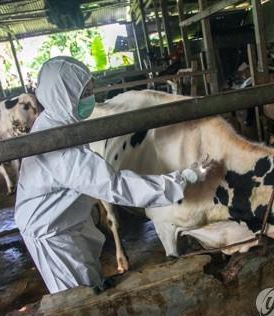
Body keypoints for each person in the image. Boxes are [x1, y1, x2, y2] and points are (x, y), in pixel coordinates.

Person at [15, 57, 212, 294]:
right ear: (63, 96)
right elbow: (116, 186)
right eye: (84, 91)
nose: (91, 97)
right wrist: (183, 178)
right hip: (52, 234)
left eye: (89, 89)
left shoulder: (57, 122)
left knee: (91, 279)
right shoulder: (58, 149)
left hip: (66, 219)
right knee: (80, 297)